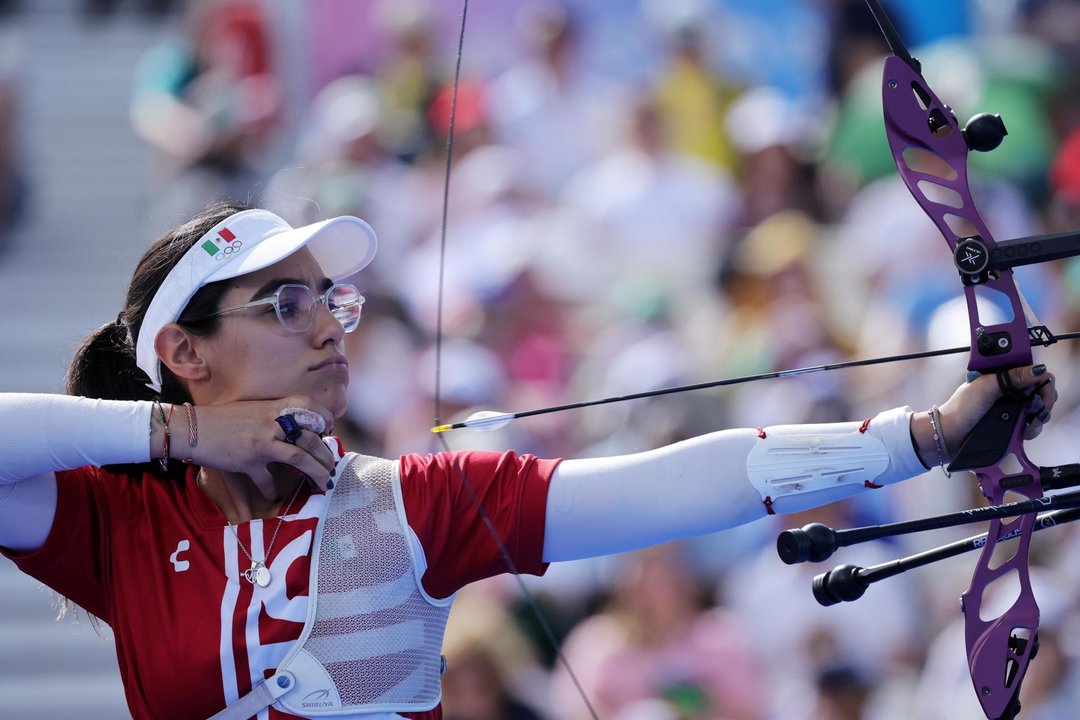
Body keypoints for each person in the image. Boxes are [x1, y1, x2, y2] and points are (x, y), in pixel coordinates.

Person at [0, 201, 1057, 720]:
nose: (330, 326)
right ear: (182, 355)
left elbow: (672, 487)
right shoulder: (117, 528)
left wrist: (918, 437)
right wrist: (181, 437)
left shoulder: (410, 505)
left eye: (333, 299)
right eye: (287, 303)